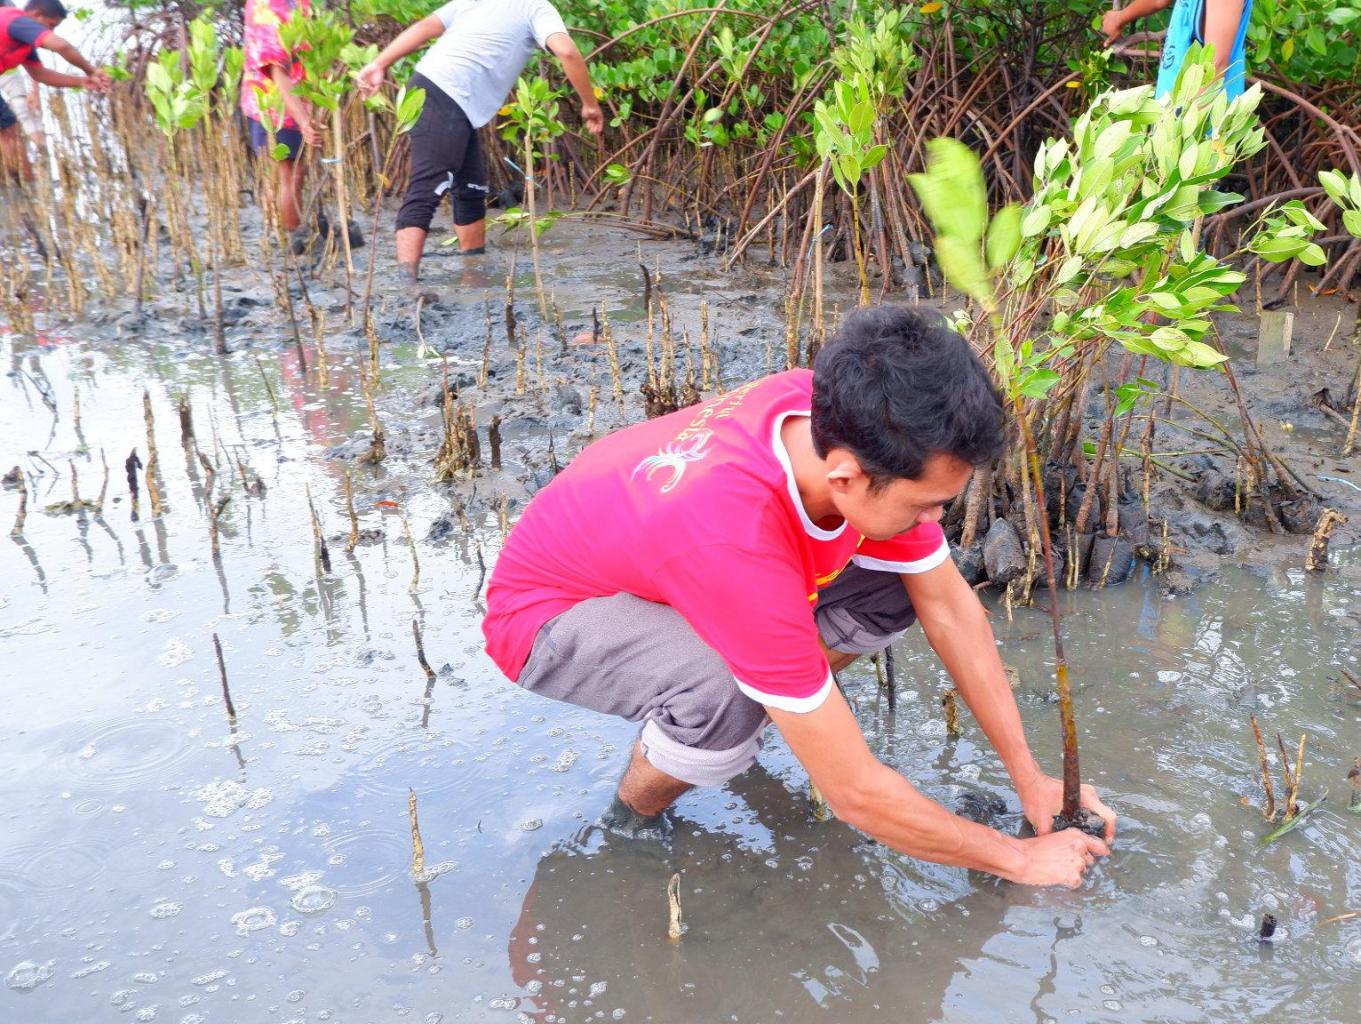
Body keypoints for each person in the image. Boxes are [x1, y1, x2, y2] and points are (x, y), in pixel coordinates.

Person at [483, 306, 1117, 890]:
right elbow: (855, 795)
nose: (937, 519)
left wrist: (1031, 781)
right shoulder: (736, 542)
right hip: (548, 614)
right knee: (723, 689)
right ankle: (631, 817)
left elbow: (949, 606)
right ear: (846, 477)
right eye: (926, 504)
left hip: (669, 562)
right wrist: (1019, 859)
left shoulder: (832, 417)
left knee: (898, 588)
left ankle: (785, 698)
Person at [356, 0, 603, 290]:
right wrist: (589, 104)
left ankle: (473, 274)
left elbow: (425, 27)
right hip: (443, 93)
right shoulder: (537, 7)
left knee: (471, 189)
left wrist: (379, 63)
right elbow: (567, 51)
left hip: (442, 95)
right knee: (428, 187)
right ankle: (407, 288)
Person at [0, 0, 108, 182]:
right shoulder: (16, 20)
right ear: (36, 14)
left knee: (8, 131)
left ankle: (26, 189)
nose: (51, 32)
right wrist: (91, 70)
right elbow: (61, 45)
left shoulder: (24, 41)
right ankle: (28, 190)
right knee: (9, 132)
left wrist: (83, 81)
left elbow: (40, 75)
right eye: (51, 25)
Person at [241, 0, 319, 242]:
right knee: (290, 174)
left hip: (295, 101)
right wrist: (303, 120)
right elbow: (277, 71)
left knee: (296, 172)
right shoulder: (272, 5)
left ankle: (294, 234)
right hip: (275, 104)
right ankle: (295, 241)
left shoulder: (300, 3)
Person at [1100, 0, 1253, 100]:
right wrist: (1120, 17)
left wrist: (1182, 129)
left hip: (1203, 123)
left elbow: (1216, 65)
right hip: (1172, 110)